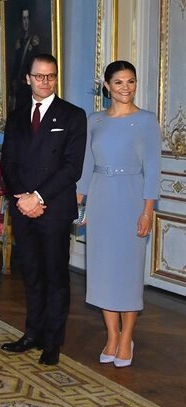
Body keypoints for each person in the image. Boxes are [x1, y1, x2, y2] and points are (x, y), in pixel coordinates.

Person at [0, 53, 86, 366]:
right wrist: (22, 198)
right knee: (31, 274)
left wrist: (37, 196)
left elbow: (71, 168)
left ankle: (53, 341)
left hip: (54, 208)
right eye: (39, 76)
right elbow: (7, 162)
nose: (45, 81)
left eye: (50, 76)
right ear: (28, 79)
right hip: (23, 208)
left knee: (55, 276)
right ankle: (32, 333)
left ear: (56, 78)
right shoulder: (16, 117)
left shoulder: (73, 116)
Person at [75, 60, 160, 368]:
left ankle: (127, 338)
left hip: (131, 198)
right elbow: (85, 165)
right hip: (101, 198)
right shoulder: (94, 120)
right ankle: (111, 335)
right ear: (107, 86)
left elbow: (152, 169)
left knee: (127, 272)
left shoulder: (147, 121)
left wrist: (147, 212)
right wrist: (79, 203)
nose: (126, 87)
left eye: (131, 81)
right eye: (120, 82)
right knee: (103, 272)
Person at [9, 9, 41, 111]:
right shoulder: (19, 42)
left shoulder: (34, 41)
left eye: (27, 18)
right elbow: (16, 66)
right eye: (23, 18)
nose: (26, 21)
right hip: (20, 87)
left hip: (30, 88)